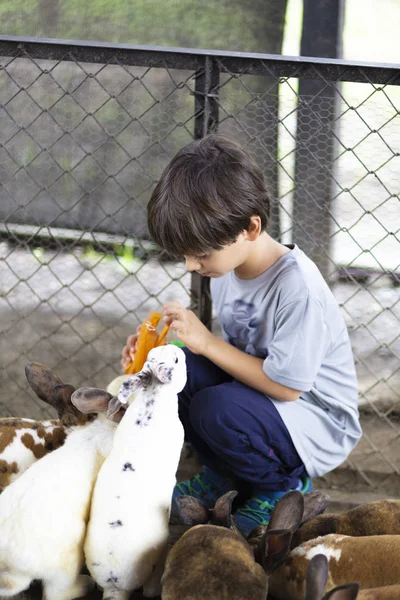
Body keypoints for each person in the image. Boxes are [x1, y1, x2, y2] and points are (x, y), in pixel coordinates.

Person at [122, 134, 362, 538]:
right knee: (173, 371)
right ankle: (225, 476)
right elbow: (234, 355)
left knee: (217, 407)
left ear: (250, 228)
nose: (189, 265)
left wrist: (206, 343)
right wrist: (163, 348)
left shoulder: (297, 288)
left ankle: (281, 487)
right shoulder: (228, 269)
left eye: (201, 254)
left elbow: (287, 389)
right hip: (264, 403)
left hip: (313, 422)